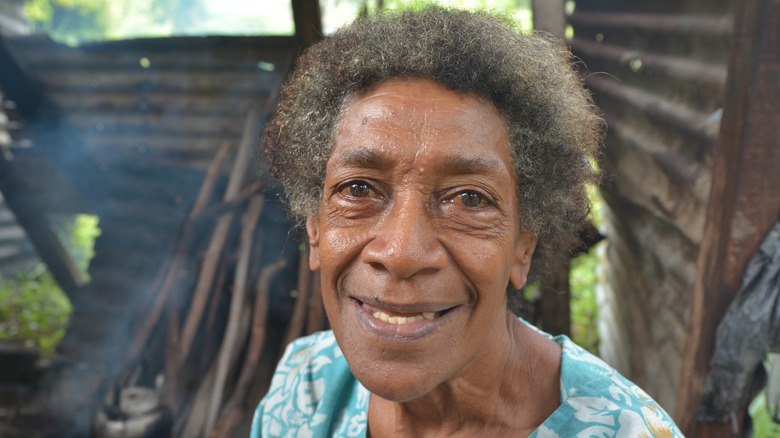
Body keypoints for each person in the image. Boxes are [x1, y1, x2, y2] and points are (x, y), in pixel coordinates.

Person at [252, 6, 682, 437]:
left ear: (523, 245)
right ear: (315, 227)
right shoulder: (303, 390)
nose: (401, 254)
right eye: (359, 190)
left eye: (470, 199)